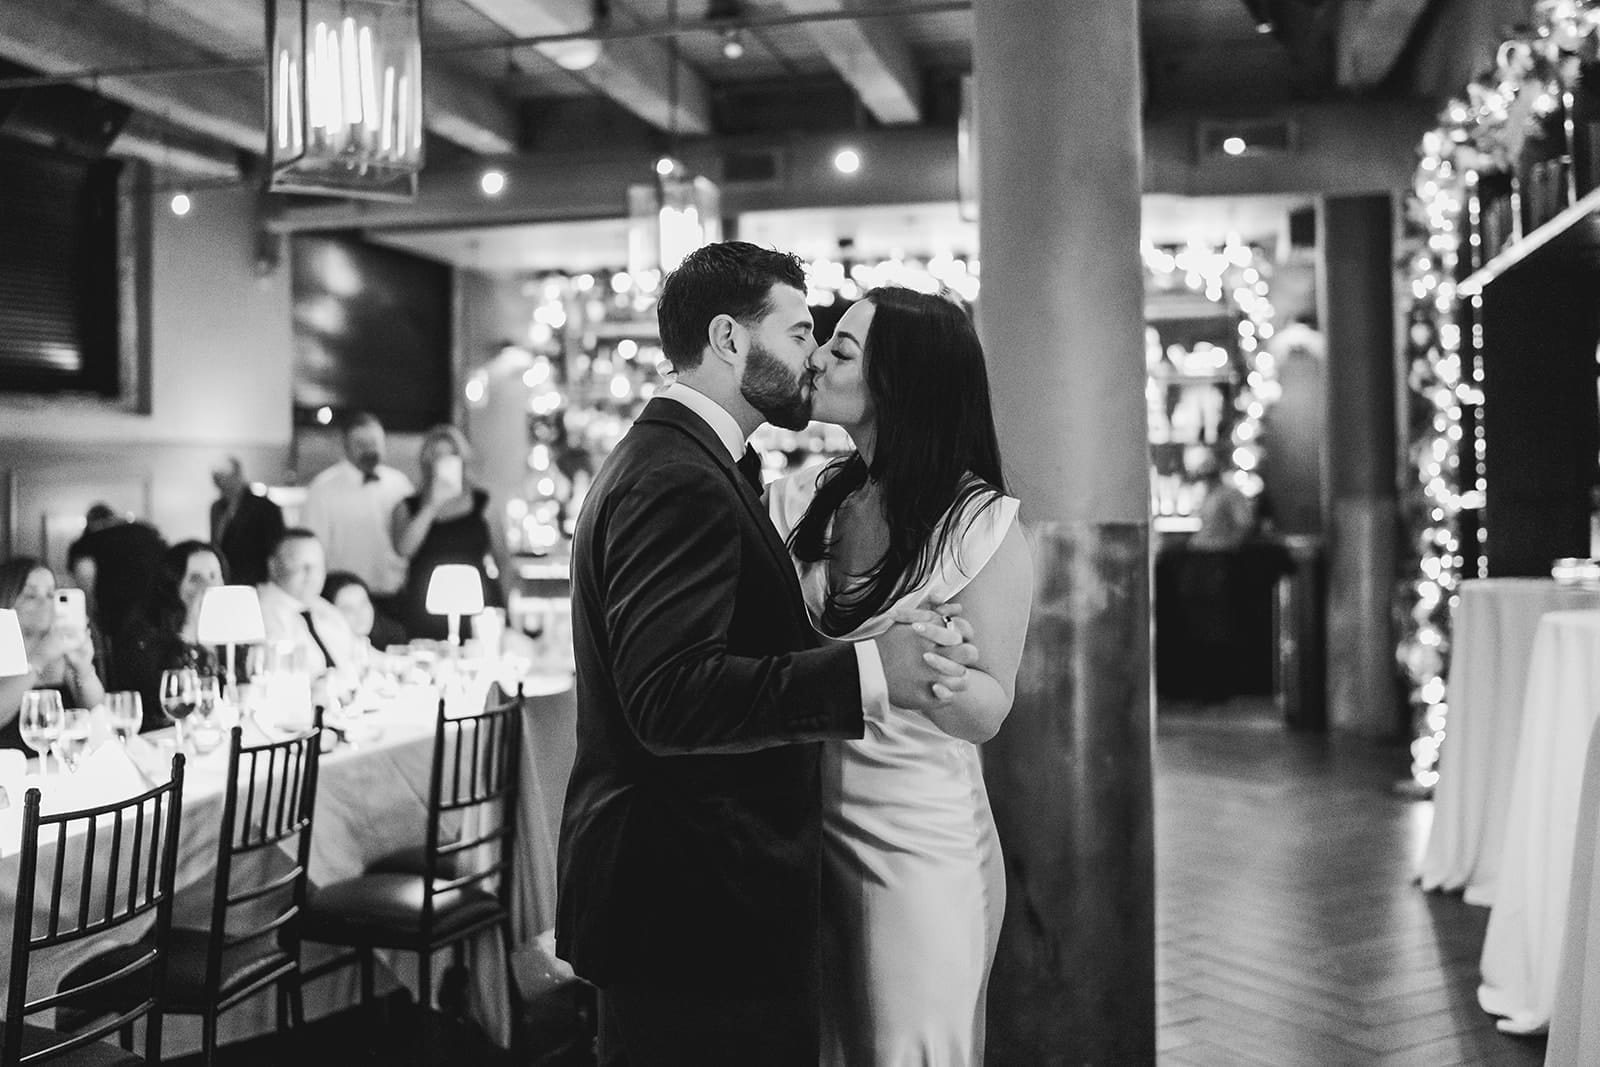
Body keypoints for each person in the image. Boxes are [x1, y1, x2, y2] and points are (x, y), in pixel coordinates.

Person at [556, 242, 979, 1065]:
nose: (810, 356)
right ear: (727, 339)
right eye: (794, 333)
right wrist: (870, 669)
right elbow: (672, 697)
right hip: (694, 907)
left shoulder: (690, 461)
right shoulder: (677, 476)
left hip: (698, 901)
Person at [769, 287, 1033, 1063]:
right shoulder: (810, 495)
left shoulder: (979, 523)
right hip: (807, 834)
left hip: (920, 846)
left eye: (841, 350)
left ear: (900, 385)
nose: (815, 357)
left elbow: (990, 707)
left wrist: (945, 677)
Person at [389, 424, 511, 640]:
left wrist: (506, 611)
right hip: (425, 605)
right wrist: (432, 505)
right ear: (427, 462)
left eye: (451, 456)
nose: (444, 462)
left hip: (477, 601)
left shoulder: (483, 503)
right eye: (437, 456)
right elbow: (404, 549)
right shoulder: (408, 506)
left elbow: (503, 560)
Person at [301, 412, 414, 615]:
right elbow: (313, 549)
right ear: (345, 446)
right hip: (343, 599)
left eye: (374, 442)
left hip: (393, 596)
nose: (369, 448)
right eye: (361, 443)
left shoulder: (400, 484)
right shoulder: (322, 490)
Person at [111, 540, 227, 731]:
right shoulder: (147, 639)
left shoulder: (231, 636)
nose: (209, 586)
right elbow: (160, 708)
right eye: (196, 578)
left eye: (214, 576)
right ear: (174, 585)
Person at [0, 558, 107, 749]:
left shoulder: (59, 648)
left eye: (51, 594)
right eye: (31, 595)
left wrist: (83, 669)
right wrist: (38, 659)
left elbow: (97, 712)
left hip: (58, 763)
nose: (45, 603)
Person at [256, 529, 359, 675]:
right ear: (273, 566)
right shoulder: (261, 613)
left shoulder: (322, 607)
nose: (312, 575)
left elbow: (358, 653)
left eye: (317, 565)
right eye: (301, 566)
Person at [65, 503, 168, 641]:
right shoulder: (146, 532)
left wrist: (90, 615)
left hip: (116, 617)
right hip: (159, 611)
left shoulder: (87, 544)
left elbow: (85, 576)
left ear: (90, 523)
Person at [209, 456, 285, 586]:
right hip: (225, 580)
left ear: (237, 476)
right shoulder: (217, 508)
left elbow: (276, 548)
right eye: (217, 479)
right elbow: (216, 543)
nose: (221, 484)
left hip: (256, 581)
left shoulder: (265, 507)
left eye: (224, 478)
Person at [322, 571, 407, 652]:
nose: (359, 613)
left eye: (363, 603)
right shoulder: (321, 654)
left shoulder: (391, 636)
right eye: (348, 609)